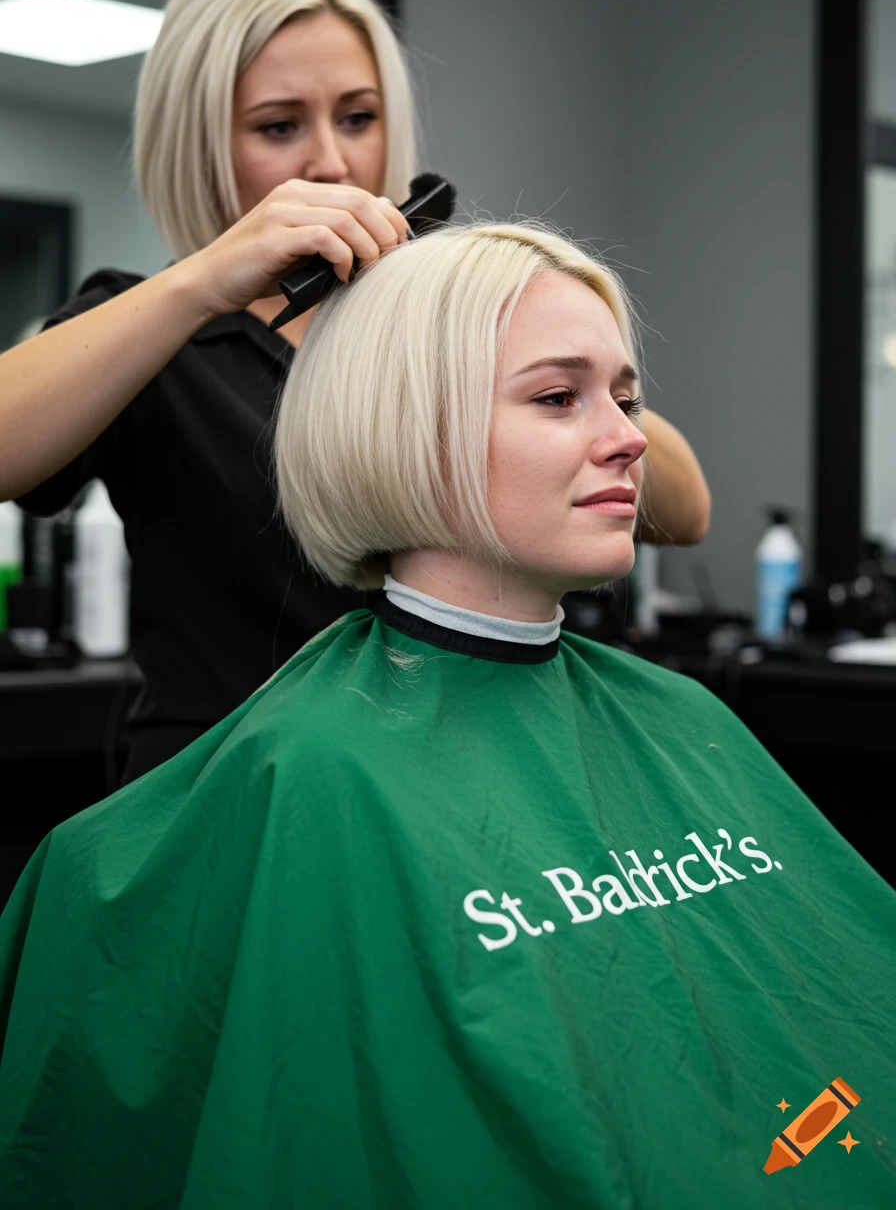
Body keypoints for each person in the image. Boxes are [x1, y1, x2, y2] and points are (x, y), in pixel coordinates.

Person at [0, 222, 893, 1209]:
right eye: (557, 397)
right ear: (408, 427)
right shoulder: (312, 779)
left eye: (625, 396)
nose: (629, 435)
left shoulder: (678, 709)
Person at [0, 0, 709, 783]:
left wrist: (547, 379)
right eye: (278, 125)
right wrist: (196, 285)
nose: (332, 162)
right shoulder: (155, 331)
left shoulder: (449, 323)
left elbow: (685, 507)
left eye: (358, 117)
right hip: (249, 793)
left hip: (481, 768)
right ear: (201, 148)